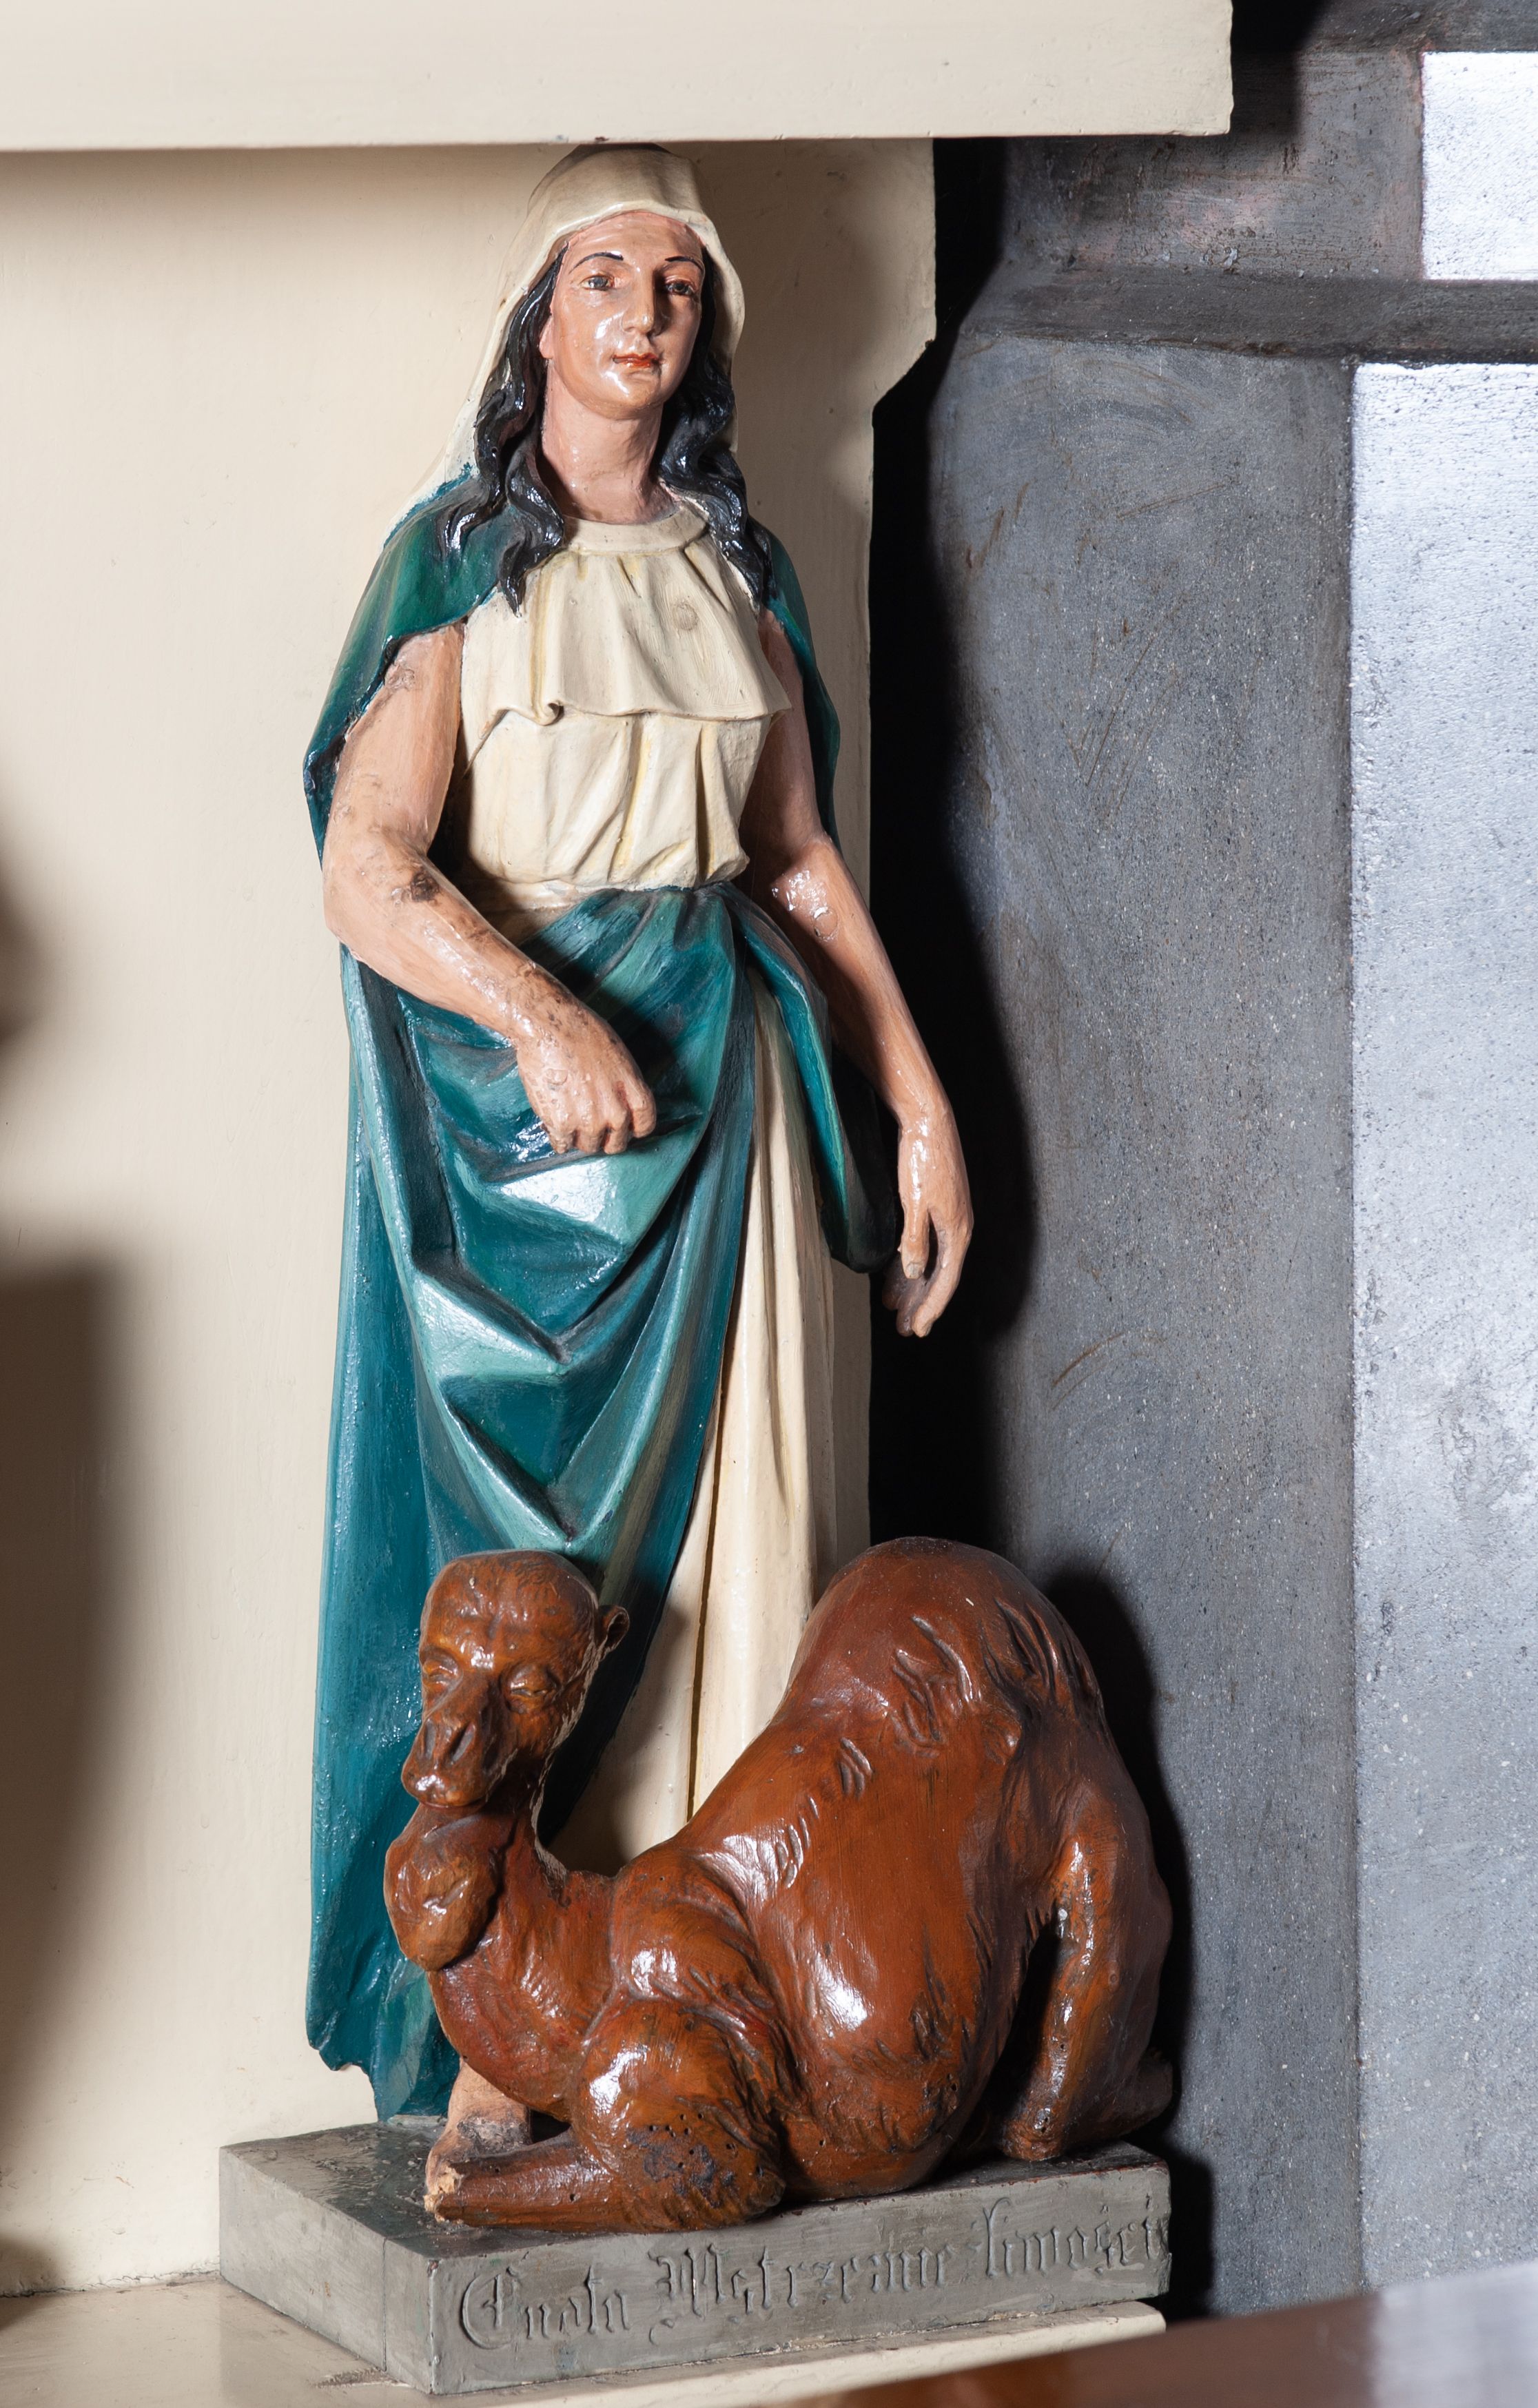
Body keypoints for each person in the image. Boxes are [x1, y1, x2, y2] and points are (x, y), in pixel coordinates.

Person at [305, 144, 971, 2121]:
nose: (642, 315)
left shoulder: (734, 570)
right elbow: (368, 866)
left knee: (754, 1536)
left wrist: (919, 1098)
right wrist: (540, 1012)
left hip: (731, 1118)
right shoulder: (456, 565)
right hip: (541, 1163)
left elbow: (800, 861)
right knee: (540, 1587)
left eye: (679, 285)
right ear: (541, 314)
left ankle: (733, 1971)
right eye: (604, 275)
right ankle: (515, 2022)